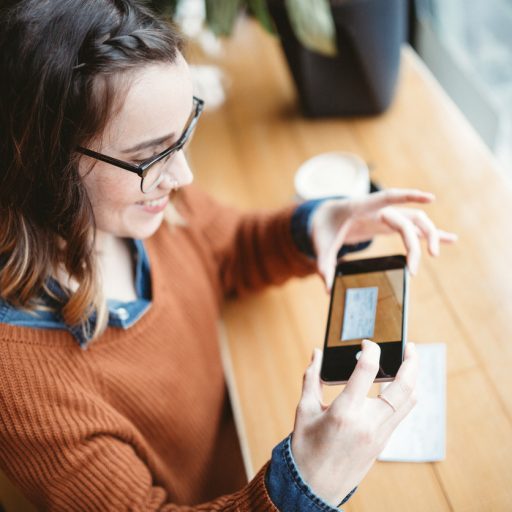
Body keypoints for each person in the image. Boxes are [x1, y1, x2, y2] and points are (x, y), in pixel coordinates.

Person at [0, 1, 456, 510]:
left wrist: (313, 225)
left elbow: (229, 248)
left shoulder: (140, 204)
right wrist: (306, 485)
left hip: (232, 430)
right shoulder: (22, 389)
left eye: (184, 134)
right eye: (148, 156)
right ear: (42, 161)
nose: (184, 178)